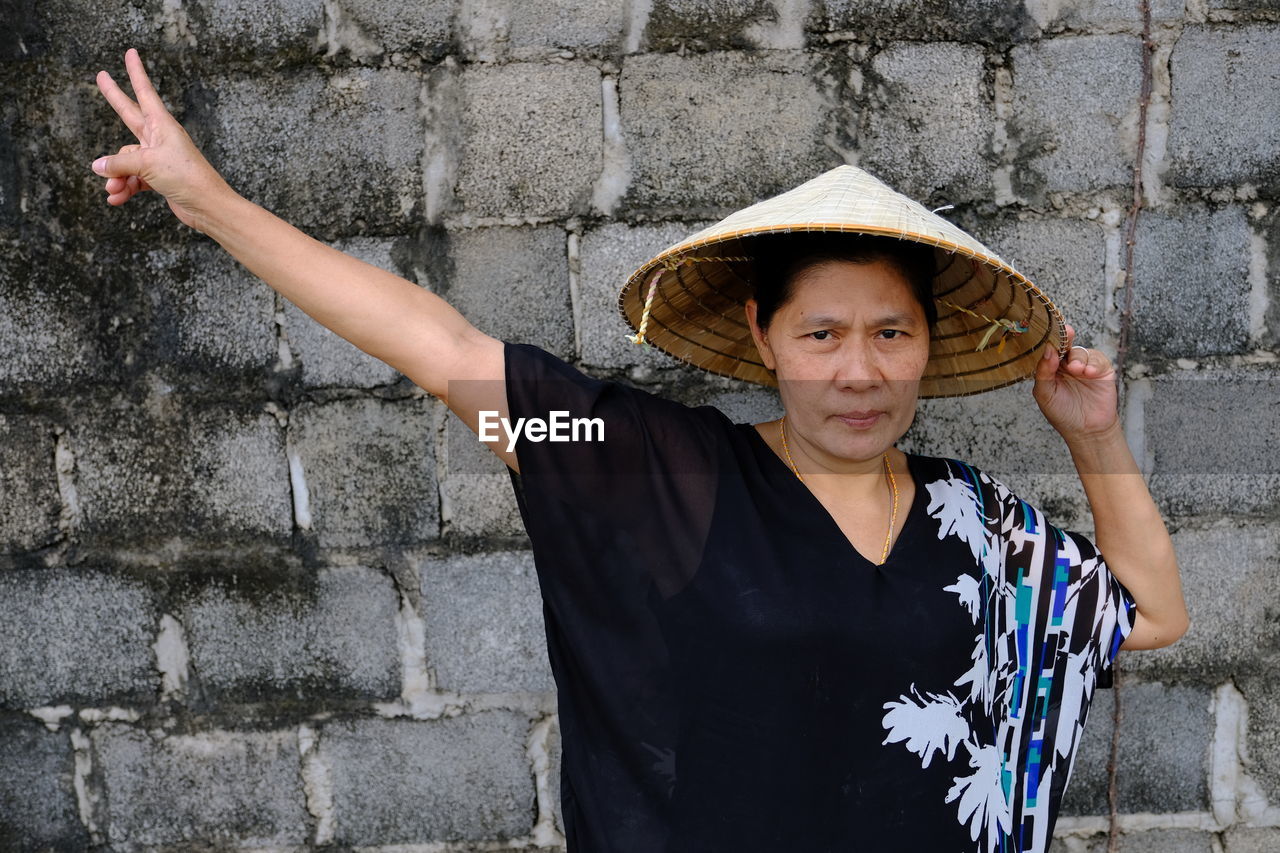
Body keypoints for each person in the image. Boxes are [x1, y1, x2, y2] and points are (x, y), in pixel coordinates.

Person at [91, 49, 1188, 853]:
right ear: (761, 339)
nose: (858, 371)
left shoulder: (975, 518)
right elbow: (447, 352)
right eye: (821, 334)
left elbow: (1146, 613)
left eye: (890, 334)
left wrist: (1090, 437)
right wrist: (213, 203)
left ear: (925, 346)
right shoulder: (653, 469)